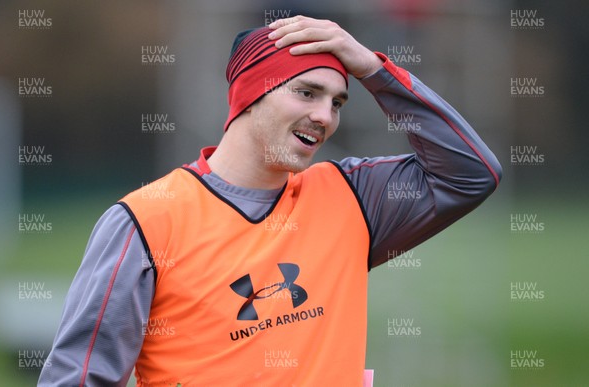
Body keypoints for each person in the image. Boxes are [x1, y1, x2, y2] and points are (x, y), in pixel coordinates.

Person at [38, 15, 502, 386]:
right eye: (306, 93)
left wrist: (372, 69)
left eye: (338, 102)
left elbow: (471, 173)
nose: (324, 116)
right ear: (249, 95)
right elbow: (79, 378)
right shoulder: (144, 221)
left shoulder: (352, 196)